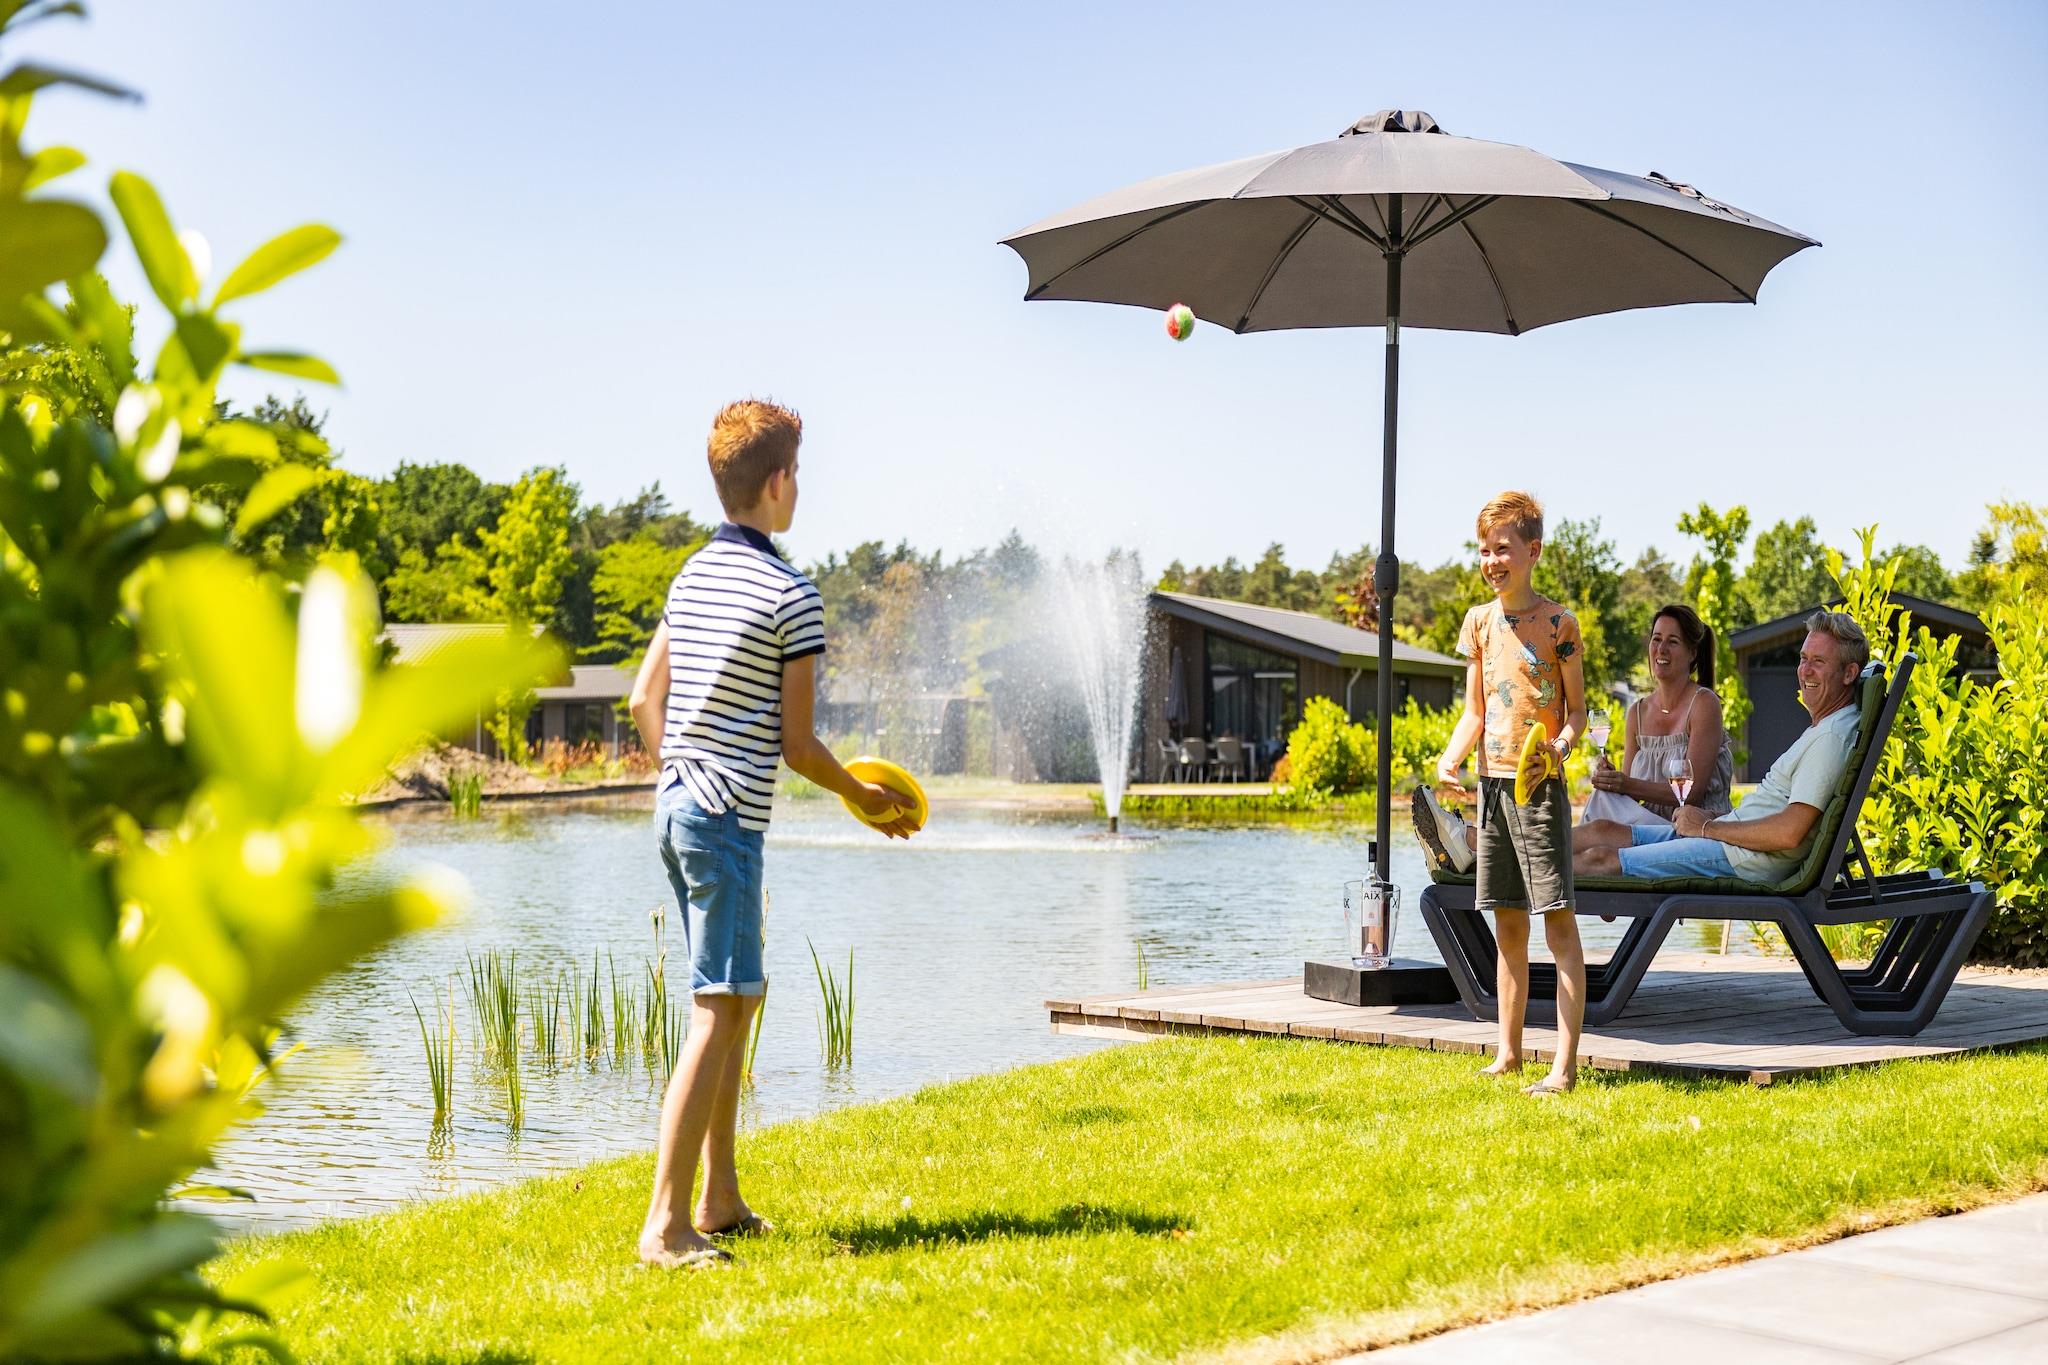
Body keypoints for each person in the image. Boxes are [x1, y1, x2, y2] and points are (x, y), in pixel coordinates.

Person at [627, 399, 916, 1270]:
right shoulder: (792, 595)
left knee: (737, 995)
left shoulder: (691, 576)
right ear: (780, 481)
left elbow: (643, 699)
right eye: (799, 472)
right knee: (719, 1007)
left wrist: (681, 773)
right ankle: (665, 1226)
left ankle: (718, 1198)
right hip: (724, 823)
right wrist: (861, 793)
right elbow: (798, 745)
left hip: (680, 809)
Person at [1413, 491, 1588, 1097]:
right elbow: (1475, 712)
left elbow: (1577, 713)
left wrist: (1558, 750)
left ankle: (1563, 1067)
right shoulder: (1478, 624)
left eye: (1503, 549)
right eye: (1484, 550)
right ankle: (1507, 1054)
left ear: (1532, 552)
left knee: (1557, 925)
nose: (1491, 561)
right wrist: (1450, 758)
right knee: (1508, 925)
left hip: (1539, 788)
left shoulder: (1560, 624)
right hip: (1491, 789)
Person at [1576, 612, 1869, 883]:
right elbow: (1773, 815)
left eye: (1818, 662)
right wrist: (1714, 820)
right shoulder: (1827, 728)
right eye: (1803, 658)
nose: (1805, 671)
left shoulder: (1831, 738)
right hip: (1729, 841)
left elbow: (1789, 833)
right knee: (1601, 831)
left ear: (1849, 674)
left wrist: (1707, 829)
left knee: (1600, 859)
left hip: (1739, 859)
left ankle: (1544, 890)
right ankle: (1543, 868)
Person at [1577, 604, 1734, 846]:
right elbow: (1629, 793)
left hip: (1695, 831)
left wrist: (1626, 784)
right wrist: (1613, 780)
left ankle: (1556, 857)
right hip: (1648, 828)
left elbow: (1692, 793)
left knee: (1597, 835)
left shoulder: (1704, 704)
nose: (1661, 649)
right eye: (1656, 639)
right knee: (1601, 798)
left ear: (1692, 653)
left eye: (1673, 642)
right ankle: (1562, 858)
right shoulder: (1637, 712)